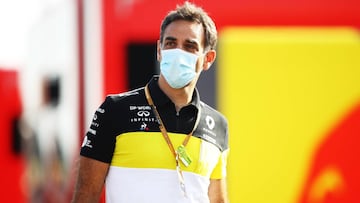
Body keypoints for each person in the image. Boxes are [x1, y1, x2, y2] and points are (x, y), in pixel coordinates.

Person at [72, 1, 229, 203]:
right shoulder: (115, 110)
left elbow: (218, 200)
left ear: (208, 58)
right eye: (171, 43)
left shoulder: (217, 125)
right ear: (159, 50)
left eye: (189, 46)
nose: (178, 52)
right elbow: (85, 197)